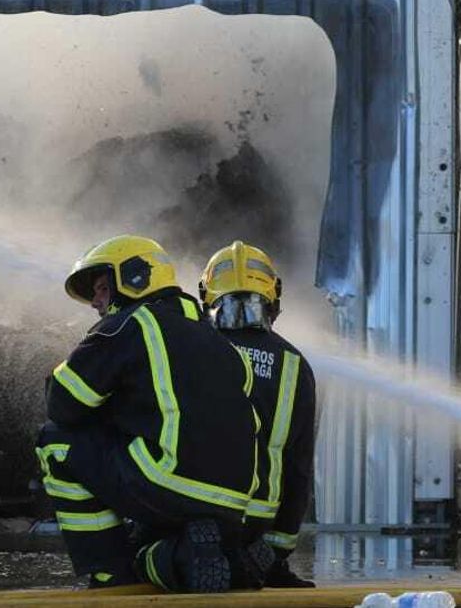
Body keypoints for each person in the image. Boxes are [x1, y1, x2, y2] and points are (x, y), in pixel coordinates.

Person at [36, 234, 260, 592]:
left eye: (101, 288)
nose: (95, 302)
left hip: (166, 480)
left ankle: (109, 573)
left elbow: (63, 405)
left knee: (54, 442)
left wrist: (75, 360)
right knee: (146, 547)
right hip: (233, 504)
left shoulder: (128, 324)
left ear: (134, 278)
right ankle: (197, 558)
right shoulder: (222, 344)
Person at [199, 241, 318, 589]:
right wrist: (276, 556)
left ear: (206, 295)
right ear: (274, 299)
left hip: (194, 517)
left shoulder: (190, 351)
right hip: (256, 527)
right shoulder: (295, 366)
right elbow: (299, 469)